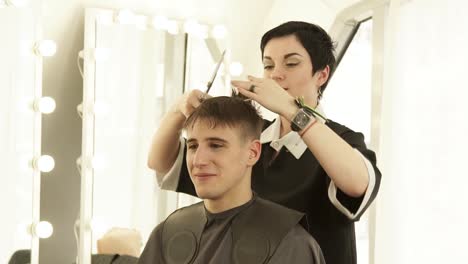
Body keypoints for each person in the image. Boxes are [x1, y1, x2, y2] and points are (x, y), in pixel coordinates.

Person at [148, 21, 381, 264]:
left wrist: (292, 111)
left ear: (322, 75)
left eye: (291, 63)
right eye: (268, 65)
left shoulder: (340, 140)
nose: (275, 74)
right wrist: (178, 110)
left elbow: (358, 185)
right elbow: (160, 163)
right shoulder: (252, 136)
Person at [139, 97, 325, 264]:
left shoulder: (289, 242)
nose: (198, 160)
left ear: (252, 153)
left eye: (216, 146)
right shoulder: (167, 233)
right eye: (193, 146)